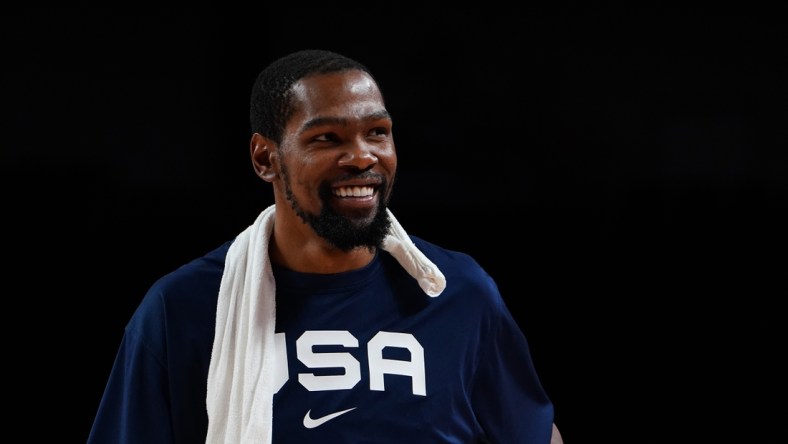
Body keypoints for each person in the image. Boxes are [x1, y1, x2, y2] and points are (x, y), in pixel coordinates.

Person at [87, 48, 564, 444]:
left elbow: (536, 434)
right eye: (327, 138)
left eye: (377, 132)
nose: (362, 156)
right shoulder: (184, 309)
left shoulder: (458, 293)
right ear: (264, 158)